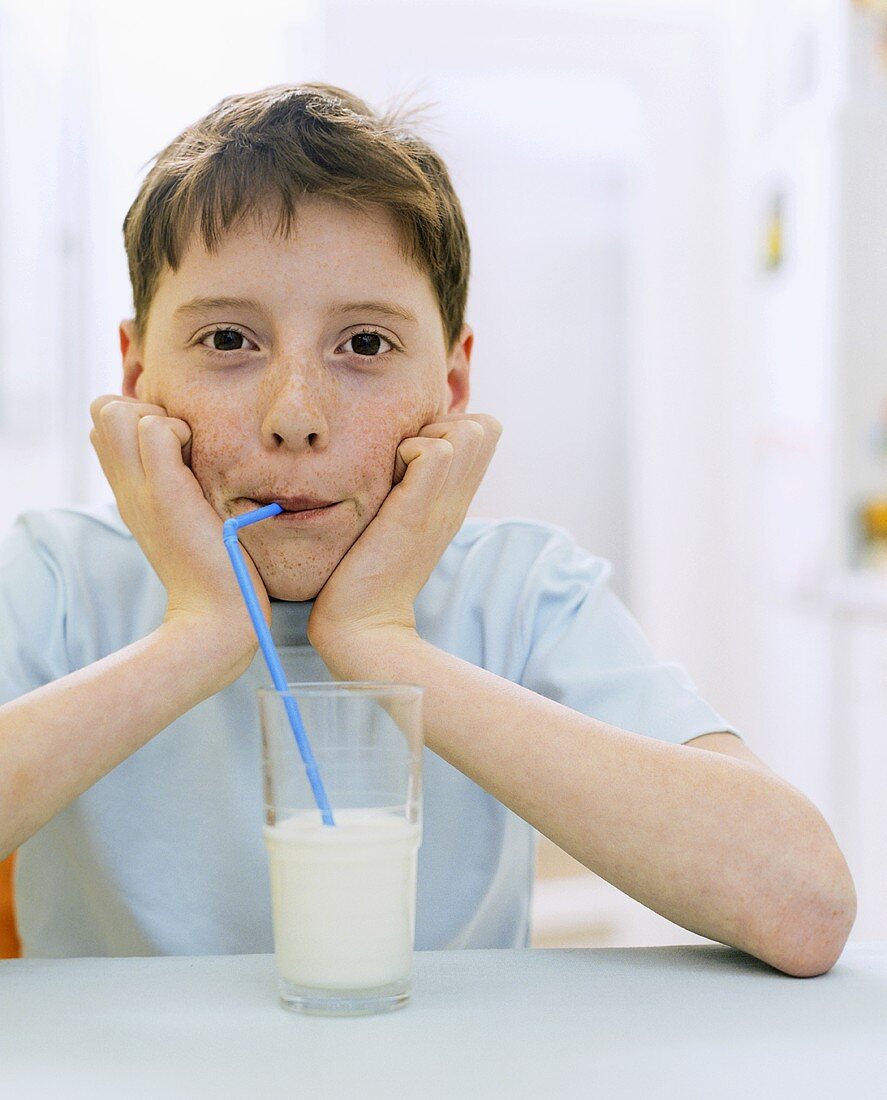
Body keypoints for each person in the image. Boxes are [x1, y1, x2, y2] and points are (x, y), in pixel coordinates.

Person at [0, 83, 855, 975]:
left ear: (451, 385)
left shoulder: (521, 588)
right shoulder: (58, 576)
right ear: (137, 375)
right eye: (226, 340)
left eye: (364, 345)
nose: (295, 416)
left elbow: (802, 905)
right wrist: (199, 635)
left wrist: (377, 639)